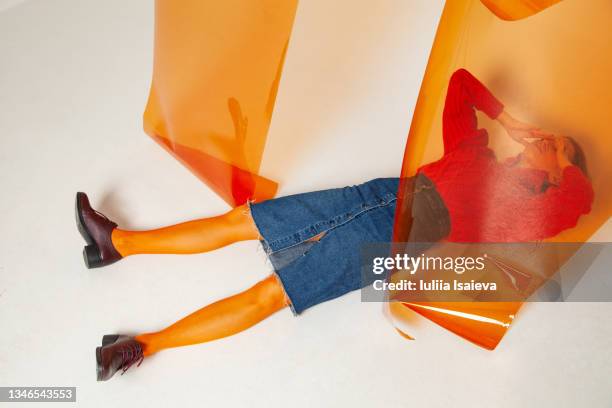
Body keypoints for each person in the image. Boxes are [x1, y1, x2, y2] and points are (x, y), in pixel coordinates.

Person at [78, 68, 593, 381]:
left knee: (269, 295)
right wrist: (508, 120)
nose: (553, 144)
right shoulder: (476, 154)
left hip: (394, 238)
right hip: (376, 195)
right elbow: (460, 88)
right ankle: (118, 243)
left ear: (558, 178)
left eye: (564, 154)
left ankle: (142, 347)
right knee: (245, 221)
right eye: (556, 138)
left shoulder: (525, 212)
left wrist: (559, 167)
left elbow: (581, 200)